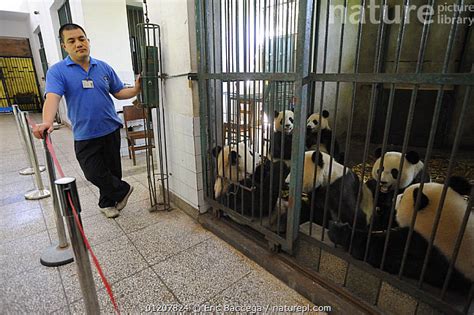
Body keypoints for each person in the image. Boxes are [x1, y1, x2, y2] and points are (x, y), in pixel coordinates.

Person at [33, 23, 140, 218]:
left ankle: (107, 203)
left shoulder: (103, 67)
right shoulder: (58, 71)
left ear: (88, 41)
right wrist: (47, 121)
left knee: (112, 171)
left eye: (81, 39)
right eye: (71, 41)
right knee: (93, 173)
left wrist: (135, 89)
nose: (78, 44)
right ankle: (123, 190)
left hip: (110, 128)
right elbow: (52, 97)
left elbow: (118, 91)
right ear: (64, 46)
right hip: (85, 133)